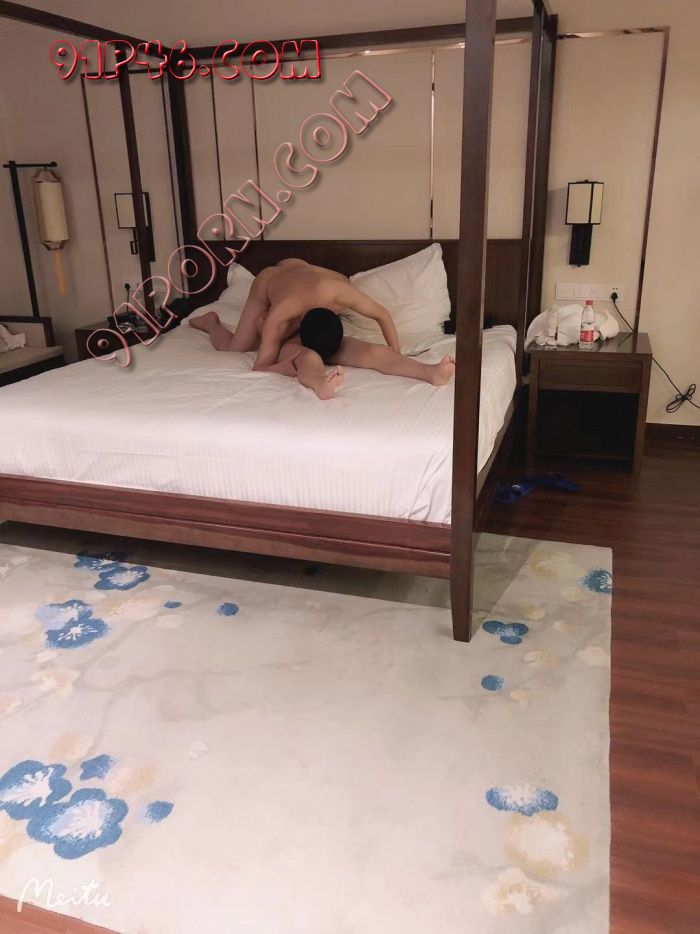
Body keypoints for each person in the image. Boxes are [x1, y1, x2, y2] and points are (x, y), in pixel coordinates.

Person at [189, 258, 455, 400]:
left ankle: (430, 372)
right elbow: (260, 366)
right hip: (270, 281)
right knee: (237, 347)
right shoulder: (278, 317)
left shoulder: (340, 293)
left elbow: (382, 315)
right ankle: (210, 323)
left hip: (306, 277)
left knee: (374, 351)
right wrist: (283, 366)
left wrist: (396, 351)